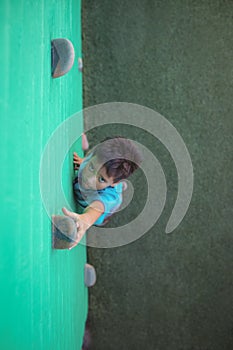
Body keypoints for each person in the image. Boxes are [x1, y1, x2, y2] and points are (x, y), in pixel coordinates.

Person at [62, 136, 142, 248]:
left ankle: (120, 186)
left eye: (101, 179)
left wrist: (85, 220)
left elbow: (95, 211)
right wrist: (84, 162)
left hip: (104, 209)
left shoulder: (107, 198)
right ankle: (116, 183)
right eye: (91, 168)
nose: (89, 179)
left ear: (113, 182)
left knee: (101, 216)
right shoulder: (99, 156)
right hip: (109, 179)